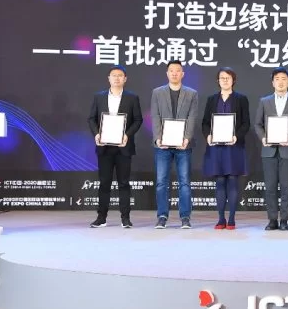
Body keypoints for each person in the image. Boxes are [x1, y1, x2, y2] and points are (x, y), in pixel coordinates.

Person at [86, 66, 143, 228]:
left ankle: (125, 218)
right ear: (109, 78)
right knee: (104, 183)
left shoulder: (132, 98)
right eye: (114, 75)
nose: (117, 78)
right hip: (104, 146)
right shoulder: (99, 97)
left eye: (120, 75)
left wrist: (127, 135)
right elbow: (91, 119)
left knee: (123, 183)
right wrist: (97, 134)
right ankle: (101, 218)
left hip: (123, 146)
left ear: (125, 79)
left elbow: (138, 120)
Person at [151, 60, 200, 229]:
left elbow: (192, 117)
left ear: (182, 74)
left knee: (184, 182)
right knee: (161, 182)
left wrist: (187, 138)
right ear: (167, 73)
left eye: (177, 70)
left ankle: (185, 217)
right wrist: (158, 138)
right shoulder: (157, 92)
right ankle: (162, 216)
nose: (174, 73)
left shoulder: (191, 94)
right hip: (162, 146)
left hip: (183, 145)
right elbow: (155, 116)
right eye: (171, 70)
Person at [254, 67, 288, 231]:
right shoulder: (264, 101)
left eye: (283, 79)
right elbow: (258, 124)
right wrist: (263, 138)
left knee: (286, 187)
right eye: (277, 79)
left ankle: (285, 220)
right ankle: (272, 219)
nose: (280, 82)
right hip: (268, 151)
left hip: (287, 150)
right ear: (272, 82)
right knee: (270, 186)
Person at [201, 67, 250, 230]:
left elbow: (246, 123)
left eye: (228, 78)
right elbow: (205, 122)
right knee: (220, 181)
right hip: (216, 147)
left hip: (233, 146)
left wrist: (237, 136)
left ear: (233, 80)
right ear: (218, 81)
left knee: (233, 181)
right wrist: (208, 135)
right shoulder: (211, 99)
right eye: (222, 78)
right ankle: (221, 218)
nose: (225, 80)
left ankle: (232, 219)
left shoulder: (241, 99)